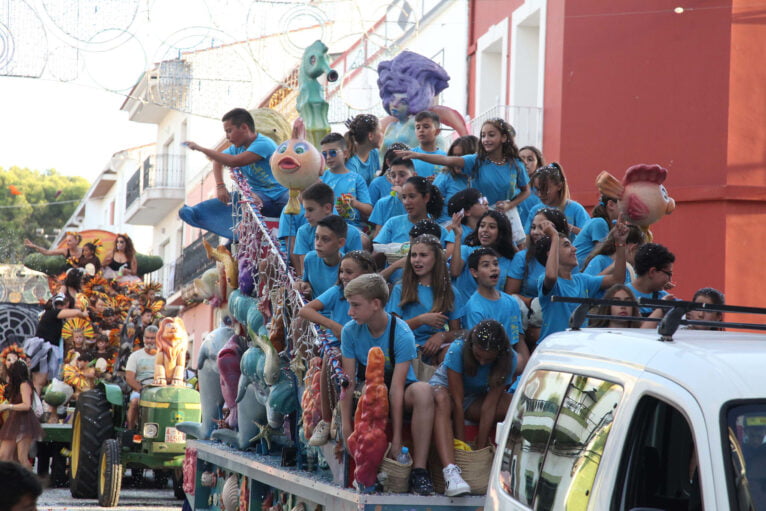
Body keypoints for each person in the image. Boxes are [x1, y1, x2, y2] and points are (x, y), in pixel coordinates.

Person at [340, 274, 436, 495]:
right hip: (369, 389)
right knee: (368, 389)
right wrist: (346, 426)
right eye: (349, 305)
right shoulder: (350, 331)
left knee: (424, 391)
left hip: (400, 390)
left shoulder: (401, 333)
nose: (349, 312)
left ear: (375, 304)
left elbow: (397, 387)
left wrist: (397, 438)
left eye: (355, 305)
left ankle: (419, 470)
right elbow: (347, 381)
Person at [298, 251, 377, 447]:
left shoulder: (376, 296)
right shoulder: (337, 292)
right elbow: (305, 309)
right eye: (342, 271)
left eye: (349, 272)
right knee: (330, 357)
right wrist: (333, 325)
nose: (344, 276)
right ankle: (326, 419)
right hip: (339, 345)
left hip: (366, 346)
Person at [430, 320, 516, 496]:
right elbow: (457, 401)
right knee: (443, 399)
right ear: (471, 347)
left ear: (499, 354)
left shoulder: (510, 359)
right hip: (446, 392)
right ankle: (451, 471)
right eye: (478, 357)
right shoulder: (458, 348)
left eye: (489, 359)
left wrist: (480, 448)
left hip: (475, 398)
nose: (483, 362)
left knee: (515, 403)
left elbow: (489, 406)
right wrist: (463, 448)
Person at [180, 108, 288, 236]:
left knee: (299, 208)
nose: (227, 137)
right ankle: (198, 214)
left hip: (283, 194)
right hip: (260, 197)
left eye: (229, 131)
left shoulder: (264, 144)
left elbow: (234, 161)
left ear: (243, 127)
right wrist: (220, 186)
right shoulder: (236, 149)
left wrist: (201, 149)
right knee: (242, 201)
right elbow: (217, 161)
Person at [397, 118, 530, 213]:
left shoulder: (516, 164)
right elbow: (446, 160)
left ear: (504, 138)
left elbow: (526, 191)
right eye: (483, 136)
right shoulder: (476, 160)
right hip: (479, 214)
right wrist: (419, 155)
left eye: (491, 135)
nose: (486, 140)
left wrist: (510, 205)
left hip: (507, 214)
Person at [536, 216, 629, 343]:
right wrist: (555, 236)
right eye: (567, 245)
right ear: (551, 253)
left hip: (578, 346)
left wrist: (620, 243)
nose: (574, 249)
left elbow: (617, 279)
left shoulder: (583, 280)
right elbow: (551, 276)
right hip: (553, 348)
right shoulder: (544, 279)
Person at [387, 234, 460, 364]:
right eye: (413, 255)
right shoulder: (401, 288)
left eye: (423, 255)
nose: (416, 260)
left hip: (436, 348)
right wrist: (421, 320)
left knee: (453, 350)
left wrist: (442, 336)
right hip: (407, 346)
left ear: (436, 258)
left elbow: (458, 333)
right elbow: (392, 329)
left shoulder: (450, 292)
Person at [458, 248, 529, 374]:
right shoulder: (474, 308)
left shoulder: (511, 302)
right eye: (486, 265)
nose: (493, 268)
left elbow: (518, 339)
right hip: (489, 366)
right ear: (474, 272)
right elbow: (479, 350)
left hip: (511, 362)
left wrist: (527, 370)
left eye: (496, 264)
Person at [507, 208, 569, 349]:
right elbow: (510, 294)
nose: (535, 232)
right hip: (531, 318)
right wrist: (533, 302)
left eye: (542, 227)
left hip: (557, 313)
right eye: (533, 227)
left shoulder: (568, 257)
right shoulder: (522, 257)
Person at [291, 182, 363, 276]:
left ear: (327, 208)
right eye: (305, 210)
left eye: (310, 210)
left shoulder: (352, 233)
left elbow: (356, 273)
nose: (306, 215)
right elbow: (306, 273)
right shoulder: (303, 232)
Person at [374, 176, 455, 256]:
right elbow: (376, 254)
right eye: (404, 197)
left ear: (426, 197)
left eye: (412, 196)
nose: (406, 202)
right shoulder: (393, 223)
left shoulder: (439, 231)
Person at [450, 210, 517, 304]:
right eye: (482, 226)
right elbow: (455, 272)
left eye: (492, 227)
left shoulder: (510, 261)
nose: (485, 230)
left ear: (501, 232)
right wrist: (458, 236)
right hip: (463, 315)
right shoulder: (466, 251)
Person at [319, 132, 373, 228]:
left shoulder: (356, 179)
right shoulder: (321, 179)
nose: (328, 157)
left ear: (345, 153)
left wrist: (355, 203)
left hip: (352, 227)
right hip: (326, 227)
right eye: (324, 154)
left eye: (333, 152)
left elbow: (369, 210)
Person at [524, 163, 590, 237]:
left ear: (559, 186)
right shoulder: (535, 210)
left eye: (545, 190)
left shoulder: (576, 209)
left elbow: (589, 235)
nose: (540, 194)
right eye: (537, 190)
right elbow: (527, 239)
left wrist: (568, 227)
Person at [0, 360, 43, 469]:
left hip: (24, 422)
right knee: (4, 455)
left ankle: (30, 482)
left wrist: (8, 406)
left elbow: (26, 405)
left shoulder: (24, 384)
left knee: (22, 458)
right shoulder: (16, 386)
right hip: (14, 421)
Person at [582, 224, 646, 296]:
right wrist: (612, 267)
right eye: (639, 251)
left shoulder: (632, 271)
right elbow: (583, 288)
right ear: (633, 248)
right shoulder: (600, 260)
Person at [294, 215, 347, 299]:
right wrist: (305, 287)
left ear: (340, 243)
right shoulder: (310, 259)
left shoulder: (347, 267)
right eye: (316, 237)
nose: (318, 243)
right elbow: (307, 282)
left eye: (325, 239)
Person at [625, 243, 676, 316]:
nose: (670, 280)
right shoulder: (621, 296)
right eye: (668, 274)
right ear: (652, 272)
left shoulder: (667, 298)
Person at [368, 157, 412, 237]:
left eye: (402, 175)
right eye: (393, 176)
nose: (397, 180)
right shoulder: (382, 203)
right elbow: (378, 235)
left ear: (414, 175)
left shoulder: (420, 201)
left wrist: (403, 197)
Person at [433, 135, 478, 210]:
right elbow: (429, 204)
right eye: (454, 156)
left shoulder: (482, 178)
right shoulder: (445, 176)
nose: (455, 160)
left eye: (461, 156)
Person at [125, 325, 158, 429]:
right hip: (140, 389)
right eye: (147, 338)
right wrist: (141, 389)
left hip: (160, 389)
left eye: (153, 338)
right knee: (134, 402)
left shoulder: (163, 355)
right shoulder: (135, 356)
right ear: (143, 338)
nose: (149, 341)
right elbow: (129, 378)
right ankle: (131, 430)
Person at [574, 195, 619, 269]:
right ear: (611, 205)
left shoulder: (599, 222)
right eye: (623, 204)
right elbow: (603, 253)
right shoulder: (599, 222)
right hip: (581, 271)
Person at [344, 114, 382, 185]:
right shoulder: (351, 163)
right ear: (370, 136)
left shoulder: (374, 153)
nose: (382, 135)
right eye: (380, 131)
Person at [410, 111, 446, 179]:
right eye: (418, 127)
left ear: (437, 131)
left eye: (426, 127)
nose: (421, 130)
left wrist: (437, 181)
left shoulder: (446, 158)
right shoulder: (409, 156)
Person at [516, 146, 544, 224]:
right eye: (521, 159)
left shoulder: (542, 190)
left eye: (530, 159)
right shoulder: (508, 188)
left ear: (538, 164)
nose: (525, 162)